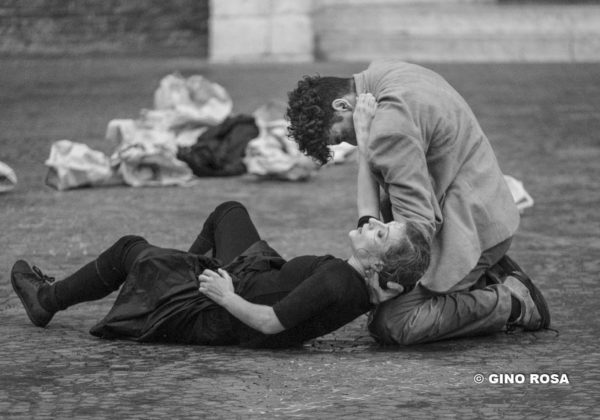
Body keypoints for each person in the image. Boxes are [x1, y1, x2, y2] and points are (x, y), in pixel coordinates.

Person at [286, 59, 551, 345]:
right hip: (486, 202)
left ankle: (513, 302)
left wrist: (379, 283)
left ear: (342, 106)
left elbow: (416, 232)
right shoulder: (385, 72)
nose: (349, 143)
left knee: (393, 323)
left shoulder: (387, 132)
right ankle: (479, 277)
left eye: (341, 137)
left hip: (472, 226)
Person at [10, 201, 429, 349]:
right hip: (252, 273)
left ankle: (46, 302)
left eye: (381, 232)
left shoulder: (339, 280)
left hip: (229, 303)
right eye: (381, 222)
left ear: (380, 266)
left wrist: (223, 294)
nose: (373, 221)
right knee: (229, 212)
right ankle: (171, 275)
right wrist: (364, 127)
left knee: (128, 248)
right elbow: (367, 209)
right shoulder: (363, 281)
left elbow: (269, 323)